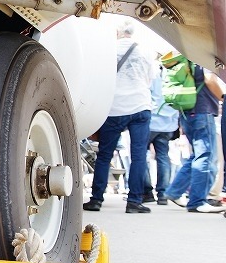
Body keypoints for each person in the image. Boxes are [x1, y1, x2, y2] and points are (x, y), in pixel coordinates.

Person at [83, 20, 153, 213]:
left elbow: (99, 78)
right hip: (140, 105)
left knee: (105, 155)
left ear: (117, 31)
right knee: (139, 155)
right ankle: (134, 201)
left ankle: (96, 199)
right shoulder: (145, 51)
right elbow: (149, 79)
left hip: (114, 108)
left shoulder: (108, 50)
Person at [163, 61, 225, 213]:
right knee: (205, 156)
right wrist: (223, 97)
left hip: (188, 111)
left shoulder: (189, 59)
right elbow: (210, 79)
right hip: (203, 111)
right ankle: (197, 201)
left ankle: (175, 191)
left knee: (197, 156)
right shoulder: (203, 59)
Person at [142, 61, 179, 205]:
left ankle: (147, 191)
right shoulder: (176, 75)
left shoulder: (155, 74)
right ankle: (163, 194)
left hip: (151, 121)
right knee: (163, 157)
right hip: (168, 123)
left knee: (140, 156)